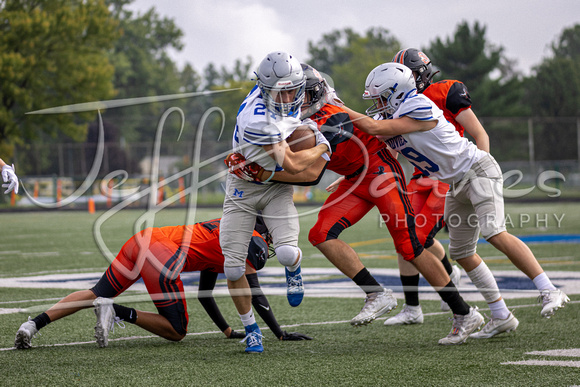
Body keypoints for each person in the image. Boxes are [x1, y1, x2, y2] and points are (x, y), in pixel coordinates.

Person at [230, 64, 487, 345]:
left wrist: (261, 172)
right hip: (355, 177)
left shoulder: (328, 116)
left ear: (313, 94)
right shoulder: (295, 118)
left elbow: (310, 175)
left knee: (410, 246)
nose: (294, 100)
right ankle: (375, 292)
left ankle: (464, 313)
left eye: (299, 94)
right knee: (320, 235)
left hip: (380, 171)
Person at [343, 62, 570, 341]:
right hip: (456, 184)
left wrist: (336, 107)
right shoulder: (398, 115)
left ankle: (549, 288)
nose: (376, 104)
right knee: (462, 252)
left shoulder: (418, 105)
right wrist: (352, 176)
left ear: (396, 93)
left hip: (477, 170)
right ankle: (501, 316)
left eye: (379, 97)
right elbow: (375, 145)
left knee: (495, 233)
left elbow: (371, 126)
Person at [14, 217, 311, 349]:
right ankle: (117, 312)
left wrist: (227, 330)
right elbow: (254, 292)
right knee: (177, 331)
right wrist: (279, 334)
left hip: (143, 240)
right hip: (163, 256)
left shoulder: (224, 228)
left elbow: (205, 294)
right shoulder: (251, 240)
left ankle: (33, 324)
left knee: (95, 292)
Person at [384, 49, 513, 338]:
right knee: (406, 234)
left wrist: (478, 179)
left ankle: (455, 296)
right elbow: (391, 144)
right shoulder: (397, 104)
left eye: (410, 74)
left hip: (452, 174)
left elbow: (479, 134)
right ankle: (415, 305)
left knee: (420, 238)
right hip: (423, 175)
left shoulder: (445, 91)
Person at [220, 51, 331, 353]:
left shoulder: (286, 86)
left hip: (273, 187)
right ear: (264, 88)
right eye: (278, 92)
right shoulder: (256, 119)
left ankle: (293, 268)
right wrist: (322, 144)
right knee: (232, 268)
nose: (285, 98)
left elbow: (319, 89)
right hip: (243, 186)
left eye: (291, 91)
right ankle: (251, 329)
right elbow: (294, 165)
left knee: (284, 252)